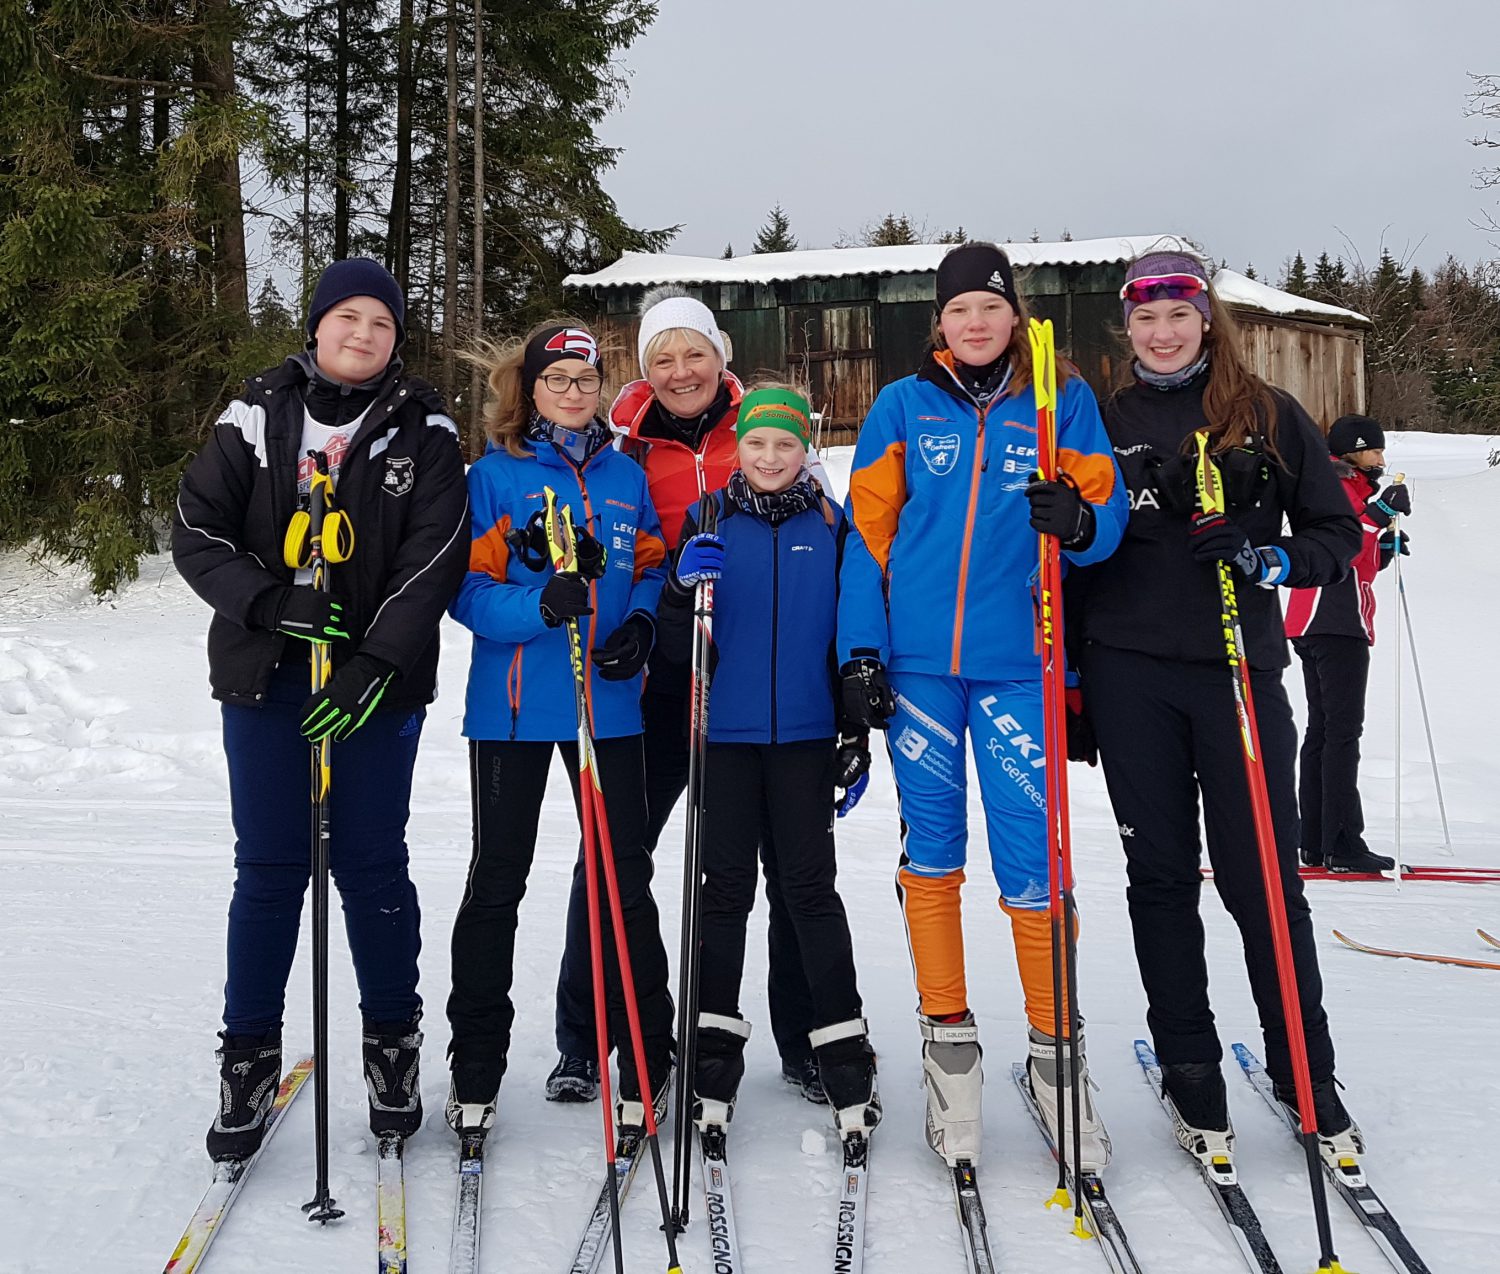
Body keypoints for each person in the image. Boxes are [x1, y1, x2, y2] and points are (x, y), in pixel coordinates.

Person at [1070, 249, 1365, 1177]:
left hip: (1235, 670)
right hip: (1128, 675)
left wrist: (1264, 555)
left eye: (1178, 315)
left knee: (1263, 876)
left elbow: (1335, 533)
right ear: (1128, 326)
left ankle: (1304, 1069)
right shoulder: (1103, 421)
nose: (1161, 333)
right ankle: (1192, 1067)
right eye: (1145, 319)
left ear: (1206, 318)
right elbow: (1071, 557)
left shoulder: (1268, 413)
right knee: (1158, 875)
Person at [838, 241, 1128, 1172]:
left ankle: (1055, 1054)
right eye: (959, 310)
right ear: (941, 321)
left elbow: (1103, 515)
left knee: (1031, 858)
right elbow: (866, 536)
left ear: (1015, 315)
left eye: (990, 309)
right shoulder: (900, 405)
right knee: (933, 849)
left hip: (1018, 665)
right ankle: (948, 1045)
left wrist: (1078, 524)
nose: (975, 324)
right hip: (922, 668)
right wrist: (861, 652)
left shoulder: (1058, 400)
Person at [172, 258, 470, 1160]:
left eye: (381, 322)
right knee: (269, 867)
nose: (363, 334)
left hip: (374, 688)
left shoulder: (424, 428)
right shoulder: (254, 414)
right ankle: (249, 1056)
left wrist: (374, 661)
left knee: (373, 866)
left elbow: (436, 554)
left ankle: (391, 1045)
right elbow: (195, 529)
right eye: (347, 316)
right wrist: (269, 603)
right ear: (316, 326)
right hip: (268, 679)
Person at [547, 286, 825, 1106]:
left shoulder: (764, 428)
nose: (679, 371)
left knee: (781, 865)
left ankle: (807, 1037)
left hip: (755, 677)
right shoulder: (623, 444)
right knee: (612, 851)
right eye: (661, 358)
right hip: (660, 675)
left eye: (693, 353)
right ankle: (586, 1036)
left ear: (721, 357)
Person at [444, 321, 674, 1140]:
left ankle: (647, 1056)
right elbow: (467, 595)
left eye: (587, 378)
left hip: (607, 711)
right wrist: (537, 606)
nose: (576, 393)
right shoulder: (495, 478)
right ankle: (475, 1067)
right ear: (529, 390)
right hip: (511, 712)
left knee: (623, 884)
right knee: (497, 882)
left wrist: (641, 626)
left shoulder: (622, 475)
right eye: (559, 379)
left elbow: (651, 565)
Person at [654, 384, 880, 1141]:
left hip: (807, 739)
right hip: (725, 738)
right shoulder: (709, 519)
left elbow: (850, 628)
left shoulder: (831, 522)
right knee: (724, 894)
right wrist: (685, 586)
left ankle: (838, 1050)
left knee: (810, 892)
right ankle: (711, 1061)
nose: (771, 457)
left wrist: (854, 725)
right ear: (738, 449)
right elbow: (673, 627)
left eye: (785, 445)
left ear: (804, 451)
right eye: (757, 445)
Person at [1286, 414, 1408, 873]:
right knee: (1341, 732)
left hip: (1316, 616)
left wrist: (1384, 548)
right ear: (1353, 451)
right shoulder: (1339, 488)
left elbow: (1359, 561)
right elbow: (1340, 543)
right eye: (1374, 450)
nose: (1380, 459)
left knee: (1323, 730)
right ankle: (1342, 842)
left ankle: (1315, 840)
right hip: (1334, 619)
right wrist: (1378, 519)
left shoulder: (1344, 488)